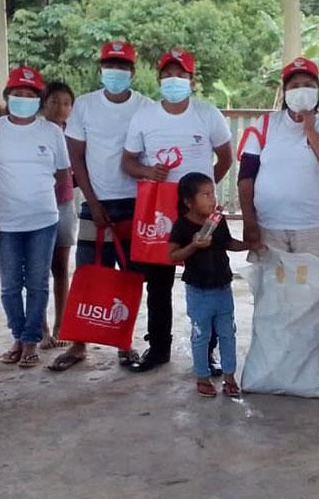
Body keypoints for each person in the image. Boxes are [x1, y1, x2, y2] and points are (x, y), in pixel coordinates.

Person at [121, 47, 233, 373]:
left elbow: (225, 158)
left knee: (209, 280)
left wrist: (204, 195)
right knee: (158, 285)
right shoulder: (144, 117)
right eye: (168, 75)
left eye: (180, 75)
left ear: (191, 80)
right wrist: (146, 172)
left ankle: (208, 353)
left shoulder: (208, 114)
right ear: (159, 79)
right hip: (159, 214)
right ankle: (158, 349)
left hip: (201, 215)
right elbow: (127, 161)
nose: (174, 80)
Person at [49, 41, 152, 372]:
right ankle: (79, 344)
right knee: (90, 275)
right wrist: (92, 202)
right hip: (96, 203)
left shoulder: (146, 107)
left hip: (136, 204)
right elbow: (75, 157)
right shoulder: (85, 106)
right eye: (110, 66)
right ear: (101, 70)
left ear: (132, 73)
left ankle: (125, 343)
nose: (116, 73)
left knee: (131, 278)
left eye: (122, 67)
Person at [0, 66, 71, 368]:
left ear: (39, 100)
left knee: (38, 283)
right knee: (10, 285)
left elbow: (61, 173)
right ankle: (18, 336)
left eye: (31, 95)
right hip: (4, 222)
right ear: (7, 97)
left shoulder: (52, 132)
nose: (24, 99)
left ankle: (31, 341)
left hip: (43, 220)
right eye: (18, 94)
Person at [238, 57, 319, 263]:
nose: (301, 91)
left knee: (315, 293)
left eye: (308, 85)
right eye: (294, 86)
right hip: (269, 227)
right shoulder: (265, 124)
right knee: (271, 293)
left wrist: (310, 130)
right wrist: (249, 222)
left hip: (313, 229)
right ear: (285, 92)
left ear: (318, 90)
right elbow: (246, 177)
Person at [168, 173, 248, 398]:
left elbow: (227, 243)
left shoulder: (217, 221)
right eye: (205, 194)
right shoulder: (181, 226)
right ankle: (202, 377)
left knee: (228, 333)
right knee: (201, 334)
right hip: (198, 290)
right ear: (188, 202)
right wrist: (193, 245)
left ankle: (230, 377)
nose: (212, 199)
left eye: (212, 193)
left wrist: (249, 245)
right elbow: (172, 256)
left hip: (223, 287)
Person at [40, 81, 77, 350]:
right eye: (54, 102)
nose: (60, 108)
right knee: (37, 272)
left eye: (66, 103)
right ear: (44, 104)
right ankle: (39, 329)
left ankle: (61, 324)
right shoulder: (34, 131)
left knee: (61, 268)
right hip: (36, 209)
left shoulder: (74, 134)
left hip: (64, 204)